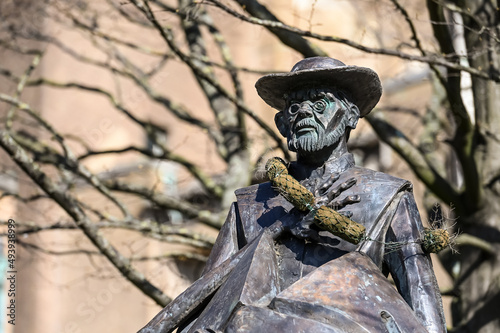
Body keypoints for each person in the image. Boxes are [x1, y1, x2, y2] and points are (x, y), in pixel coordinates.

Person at [179, 57, 447, 333]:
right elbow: (208, 306)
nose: (304, 112)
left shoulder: (387, 196)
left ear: (350, 116)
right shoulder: (249, 206)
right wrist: (277, 231)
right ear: (282, 124)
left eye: (320, 104)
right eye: (294, 107)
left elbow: (421, 302)